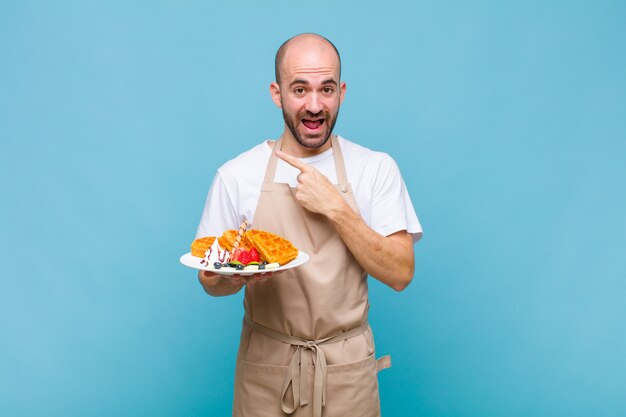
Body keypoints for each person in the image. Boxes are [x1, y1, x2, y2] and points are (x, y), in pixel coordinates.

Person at [195, 33, 422, 417]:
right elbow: (209, 280)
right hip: (267, 369)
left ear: (342, 92)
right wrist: (232, 277)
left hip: (346, 371)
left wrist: (337, 209)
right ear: (277, 93)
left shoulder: (375, 168)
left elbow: (401, 273)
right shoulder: (236, 175)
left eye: (326, 89)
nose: (315, 105)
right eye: (300, 89)